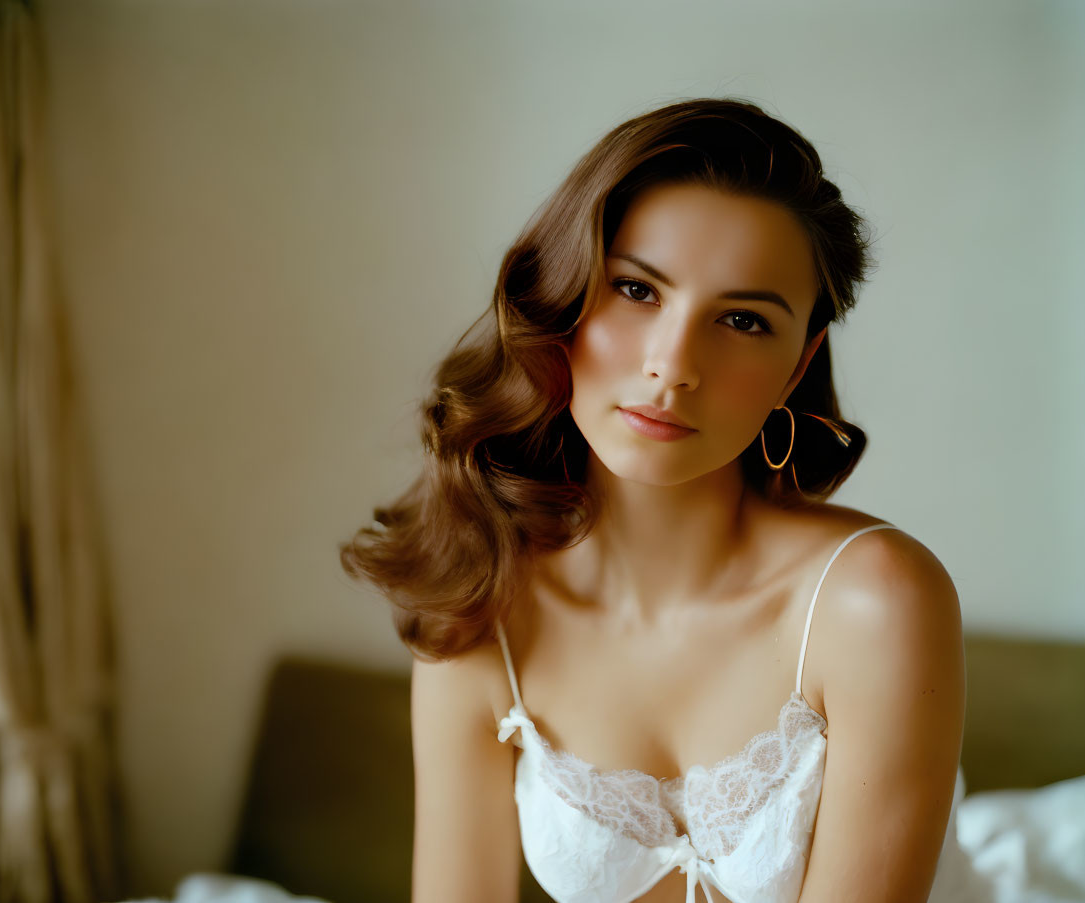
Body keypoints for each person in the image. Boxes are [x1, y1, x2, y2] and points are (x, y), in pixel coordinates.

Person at [339, 98, 991, 903]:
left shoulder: (873, 601)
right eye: (635, 290)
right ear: (561, 297)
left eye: (744, 320)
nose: (672, 364)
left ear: (797, 365)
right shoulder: (481, 599)